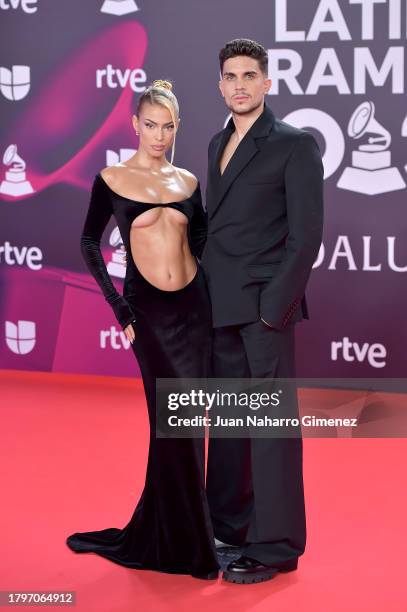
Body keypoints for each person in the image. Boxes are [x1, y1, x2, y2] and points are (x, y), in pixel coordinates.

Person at [66, 80, 219, 580]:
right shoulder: (111, 179)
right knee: (168, 423)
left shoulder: (190, 183)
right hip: (148, 314)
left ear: (179, 127)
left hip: (194, 311)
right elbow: (90, 242)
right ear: (135, 124)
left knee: (188, 426)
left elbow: (203, 246)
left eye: (168, 126)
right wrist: (120, 309)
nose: (159, 135)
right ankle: (190, 545)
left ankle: (174, 533)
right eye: (150, 124)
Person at [201, 39, 324, 584]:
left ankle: (276, 546)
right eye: (231, 76)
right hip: (218, 308)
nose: (241, 85)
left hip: (263, 314)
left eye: (251, 75)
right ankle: (228, 525)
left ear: (267, 82)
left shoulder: (294, 145)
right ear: (221, 85)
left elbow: (306, 237)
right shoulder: (215, 142)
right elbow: (218, 228)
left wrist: (275, 310)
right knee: (227, 425)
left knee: (269, 431)